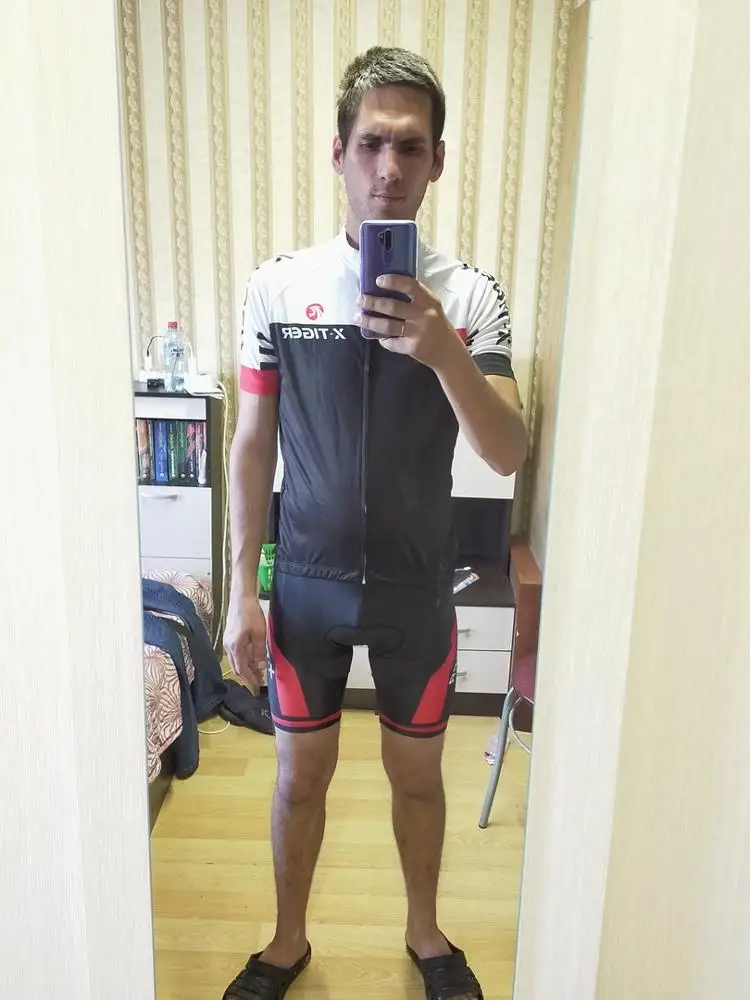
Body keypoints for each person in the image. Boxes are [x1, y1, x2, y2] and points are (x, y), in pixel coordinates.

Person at [223, 45, 526, 1000]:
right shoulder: (278, 286)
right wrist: (240, 592)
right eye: (370, 144)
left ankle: (426, 934)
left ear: (438, 160)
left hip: (416, 585)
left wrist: (442, 350)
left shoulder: (470, 296)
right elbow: (250, 447)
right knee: (297, 778)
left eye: (410, 146)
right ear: (338, 154)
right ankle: (287, 942)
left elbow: (508, 450)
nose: (388, 167)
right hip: (306, 584)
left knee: (419, 779)